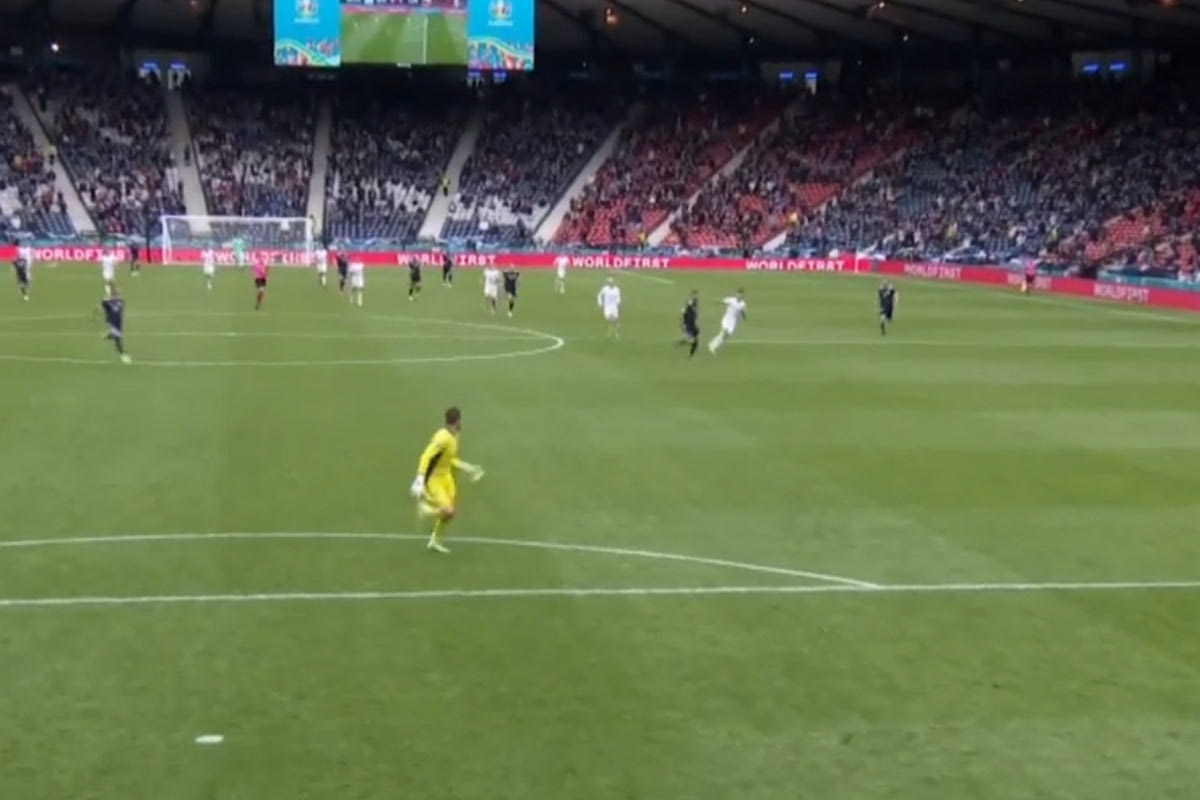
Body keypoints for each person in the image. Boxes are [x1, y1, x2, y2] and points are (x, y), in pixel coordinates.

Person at [409, 406, 484, 554]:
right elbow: (426, 456)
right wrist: (419, 478)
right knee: (448, 511)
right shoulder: (442, 438)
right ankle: (425, 510)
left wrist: (467, 467)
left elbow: (450, 459)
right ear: (458, 421)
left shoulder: (455, 435)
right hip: (435, 480)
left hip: (446, 478)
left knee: (451, 513)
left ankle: (434, 540)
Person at [708, 289, 747, 355]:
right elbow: (723, 302)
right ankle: (712, 346)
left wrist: (744, 316)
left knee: (726, 336)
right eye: (739, 294)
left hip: (732, 322)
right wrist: (717, 301)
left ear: (743, 296)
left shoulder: (743, 304)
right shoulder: (731, 300)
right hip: (726, 319)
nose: (740, 296)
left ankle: (714, 345)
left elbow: (743, 312)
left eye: (741, 295)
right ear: (737, 294)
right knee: (723, 332)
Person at [98, 289, 132, 364]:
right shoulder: (118, 301)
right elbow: (104, 304)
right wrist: (107, 298)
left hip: (117, 323)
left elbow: (104, 303)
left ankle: (110, 335)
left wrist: (107, 298)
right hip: (112, 323)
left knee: (116, 336)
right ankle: (123, 354)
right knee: (117, 339)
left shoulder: (118, 302)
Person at [679, 290, 700, 357]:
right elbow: (684, 313)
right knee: (694, 339)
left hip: (692, 323)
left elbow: (692, 312)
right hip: (690, 324)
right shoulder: (690, 304)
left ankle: (685, 342)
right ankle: (684, 342)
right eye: (694, 294)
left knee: (694, 339)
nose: (696, 296)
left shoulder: (693, 303)